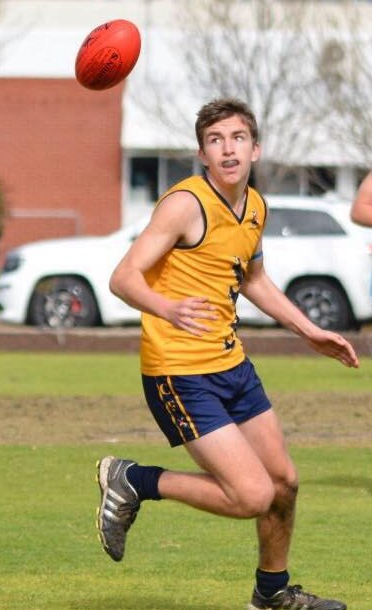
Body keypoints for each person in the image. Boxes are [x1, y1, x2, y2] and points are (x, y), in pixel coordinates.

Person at [96, 98, 359, 610]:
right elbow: (123, 278)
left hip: (230, 365)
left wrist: (309, 331)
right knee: (251, 495)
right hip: (180, 372)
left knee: (283, 482)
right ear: (203, 154)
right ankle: (133, 480)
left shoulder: (255, 206)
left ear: (255, 148)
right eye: (216, 141)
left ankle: (272, 593)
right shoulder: (185, 205)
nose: (228, 148)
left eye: (237, 138)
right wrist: (165, 307)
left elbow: (254, 279)